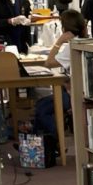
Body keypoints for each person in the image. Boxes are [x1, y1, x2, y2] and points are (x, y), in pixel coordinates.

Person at [34, 10, 86, 138]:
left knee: (42, 108)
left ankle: (53, 140)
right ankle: (39, 141)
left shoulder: (71, 47)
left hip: (75, 93)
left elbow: (49, 63)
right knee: (42, 104)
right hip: (80, 90)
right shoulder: (84, 41)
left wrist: (59, 41)